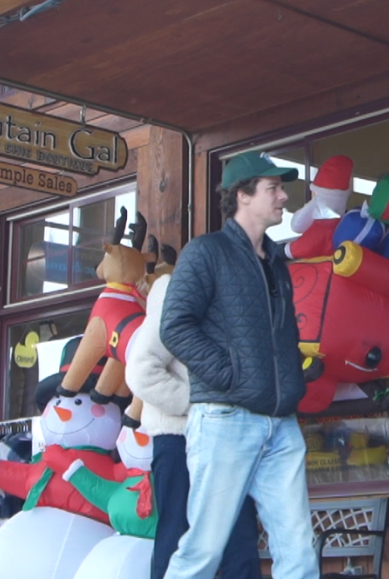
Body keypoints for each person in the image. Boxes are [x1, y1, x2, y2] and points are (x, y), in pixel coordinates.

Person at [159, 151, 317, 579]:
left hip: (280, 423)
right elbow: (175, 326)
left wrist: (294, 377)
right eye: (273, 188)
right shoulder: (205, 252)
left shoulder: (276, 261)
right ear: (243, 195)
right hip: (225, 419)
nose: (284, 197)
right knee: (204, 550)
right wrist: (230, 375)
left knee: (299, 552)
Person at [124, 274, 262, 579]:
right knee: (178, 540)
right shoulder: (178, 294)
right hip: (179, 439)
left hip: (225, 437)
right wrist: (200, 403)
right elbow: (141, 371)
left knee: (240, 541)